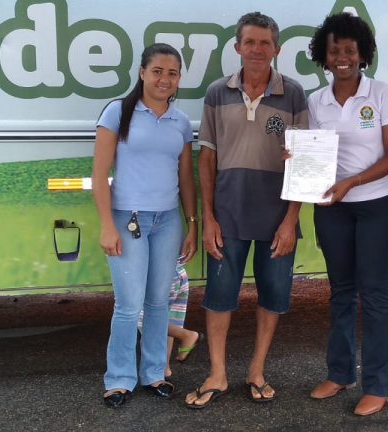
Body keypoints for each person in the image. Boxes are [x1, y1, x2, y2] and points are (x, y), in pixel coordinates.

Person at [184, 12, 307, 409]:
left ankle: (256, 371)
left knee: (272, 297)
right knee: (219, 296)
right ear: (237, 47)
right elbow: (207, 158)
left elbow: (304, 161)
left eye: (264, 43)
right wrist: (209, 219)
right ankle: (217, 374)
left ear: (277, 49)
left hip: (277, 219)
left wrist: (291, 220)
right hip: (228, 217)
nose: (257, 49)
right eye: (250, 42)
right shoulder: (217, 92)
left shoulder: (294, 94)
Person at [301, 13, 388, 416]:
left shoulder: (380, 94)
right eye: (334, 51)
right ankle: (340, 373)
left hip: (377, 206)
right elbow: (316, 152)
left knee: (374, 295)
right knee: (341, 292)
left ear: (363, 55)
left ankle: (378, 385)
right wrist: (298, 160)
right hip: (333, 209)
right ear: (323, 57)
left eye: (349, 50)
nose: (342, 57)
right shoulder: (317, 101)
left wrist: (352, 182)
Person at [92, 43, 197, 408]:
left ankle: (154, 373)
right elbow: (99, 174)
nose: (164, 79)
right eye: (157, 71)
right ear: (142, 73)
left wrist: (192, 223)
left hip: (168, 221)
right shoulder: (118, 112)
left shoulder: (180, 122)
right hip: (128, 219)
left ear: (179, 78)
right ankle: (119, 379)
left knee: (157, 302)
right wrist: (107, 225)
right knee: (128, 304)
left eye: (172, 73)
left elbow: (186, 178)